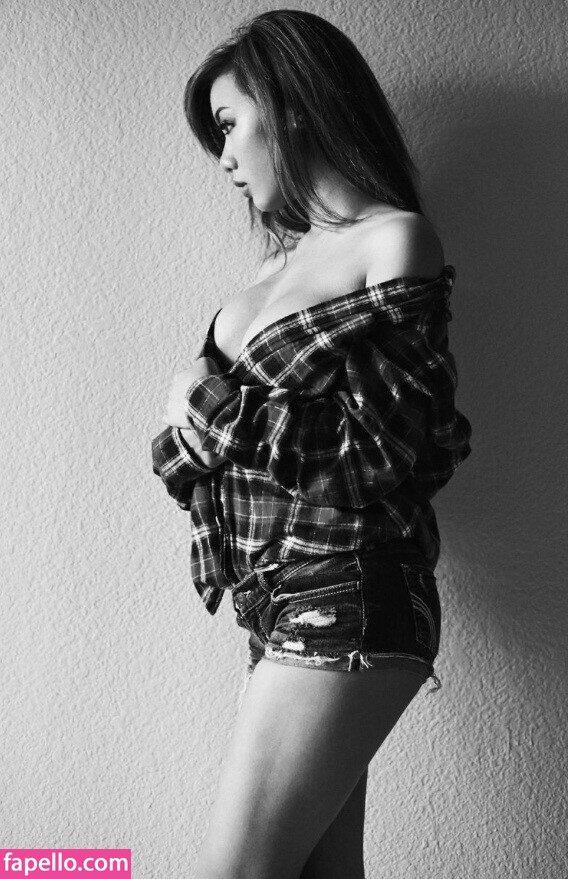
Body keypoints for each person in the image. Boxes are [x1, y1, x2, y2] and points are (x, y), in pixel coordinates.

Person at [151, 10, 472, 879]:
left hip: (349, 584)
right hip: (270, 602)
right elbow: (199, 457)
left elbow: (384, 452)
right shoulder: (270, 273)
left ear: (291, 104)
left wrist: (208, 403)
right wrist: (198, 420)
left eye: (228, 125)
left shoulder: (394, 239)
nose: (223, 157)